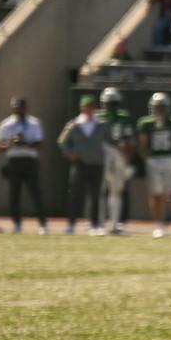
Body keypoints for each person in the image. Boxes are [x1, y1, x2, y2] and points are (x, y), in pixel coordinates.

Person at [137, 93, 171, 238]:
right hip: (154, 159)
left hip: (169, 159)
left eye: (161, 107)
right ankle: (159, 225)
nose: (159, 110)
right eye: (157, 107)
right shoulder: (146, 123)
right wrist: (147, 160)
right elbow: (143, 145)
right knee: (156, 195)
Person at [57, 95, 110, 236]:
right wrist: (71, 154)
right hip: (80, 164)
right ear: (82, 108)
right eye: (87, 106)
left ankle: (94, 224)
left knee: (95, 195)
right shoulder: (74, 124)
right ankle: (71, 224)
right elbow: (62, 142)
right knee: (75, 194)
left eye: (92, 107)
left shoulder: (102, 124)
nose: (90, 109)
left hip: (97, 164)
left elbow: (109, 141)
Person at [0, 96, 50, 234]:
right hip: (14, 160)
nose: (18, 109)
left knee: (35, 193)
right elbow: (0, 145)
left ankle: (43, 224)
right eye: (15, 107)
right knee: (14, 194)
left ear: (26, 108)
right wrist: (11, 142)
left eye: (20, 107)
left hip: (29, 160)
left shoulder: (34, 123)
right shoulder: (6, 124)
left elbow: (40, 143)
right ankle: (17, 224)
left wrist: (24, 142)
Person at [98, 87, 136, 235]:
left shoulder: (124, 118)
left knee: (117, 191)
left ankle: (117, 222)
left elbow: (129, 141)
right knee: (100, 190)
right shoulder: (97, 117)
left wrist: (127, 160)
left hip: (119, 155)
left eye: (113, 103)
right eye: (109, 103)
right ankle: (99, 222)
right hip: (102, 155)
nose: (110, 106)